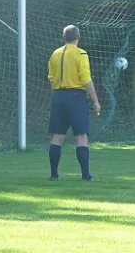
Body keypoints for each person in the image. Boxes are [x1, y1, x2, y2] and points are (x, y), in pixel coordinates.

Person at [47, 25, 101, 181]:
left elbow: (51, 78)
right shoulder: (81, 53)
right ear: (79, 37)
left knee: (57, 136)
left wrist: (57, 94)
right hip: (76, 96)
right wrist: (95, 100)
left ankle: (54, 174)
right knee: (81, 136)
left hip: (58, 96)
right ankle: (85, 175)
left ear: (63, 38)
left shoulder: (55, 54)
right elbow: (86, 79)